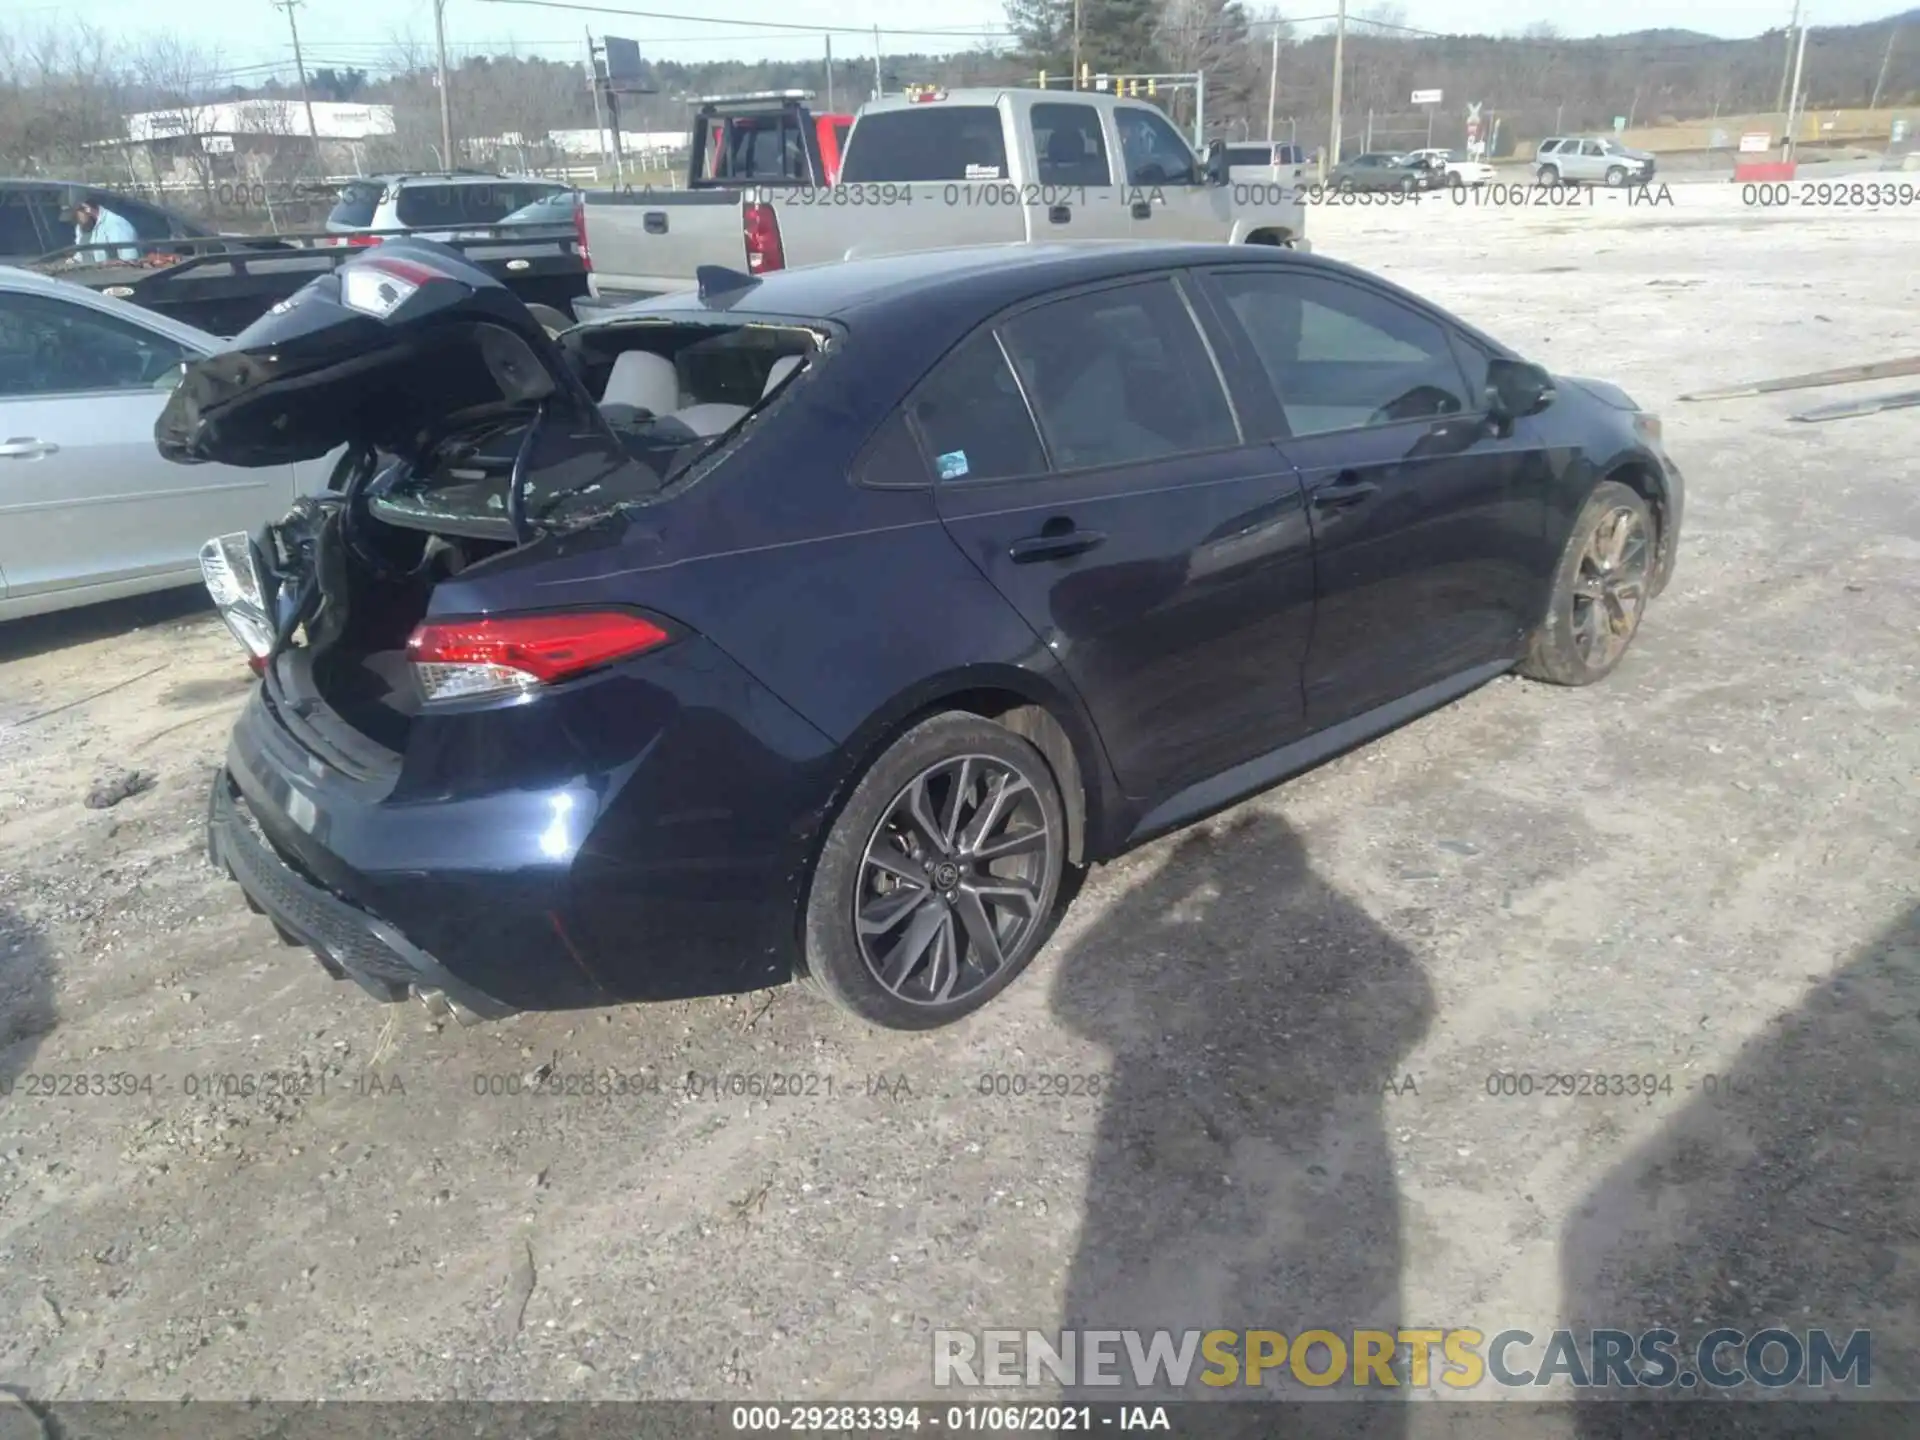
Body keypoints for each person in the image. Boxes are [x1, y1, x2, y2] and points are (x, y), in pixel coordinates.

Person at [60, 190, 141, 265]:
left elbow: (131, 262)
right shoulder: (82, 226)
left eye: (75, 216)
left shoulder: (115, 225)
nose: (73, 220)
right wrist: (74, 261)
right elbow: (83, 254)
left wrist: (105, 265)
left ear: (87, 208)